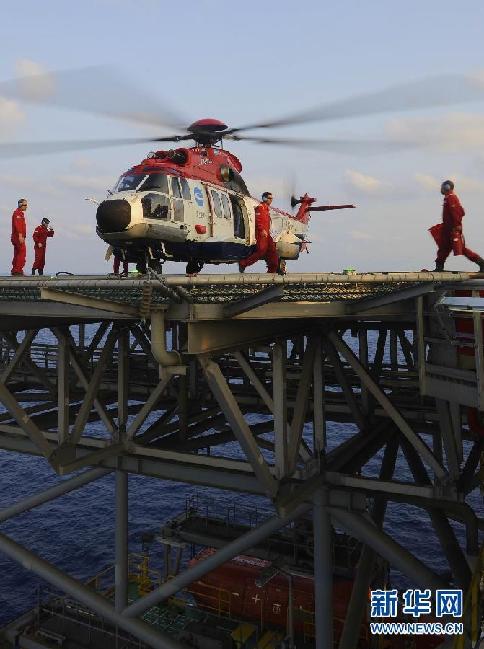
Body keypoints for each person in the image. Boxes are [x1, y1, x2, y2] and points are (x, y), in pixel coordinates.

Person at [433, 180, 484, 272]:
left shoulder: (451, 198)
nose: (441, 189)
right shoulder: (448, 198)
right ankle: (439, 267)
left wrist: (457, 225)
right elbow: (461, 211)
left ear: (447, 187)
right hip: (448, 230)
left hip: (452, 230)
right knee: (444, 248)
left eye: (442, 187)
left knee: (461, 248)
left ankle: (481, 263)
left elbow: (456, 212)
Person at [238, 191, 282, 274]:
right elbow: (257, 220)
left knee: (273, 252)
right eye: (269, 198)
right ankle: (243, 263)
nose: (271, 200)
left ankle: (272, 270)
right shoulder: (260, 208)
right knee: (261, 250)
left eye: (271, 199)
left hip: (267, 234)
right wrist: (261, 230)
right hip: (261, 234)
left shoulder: (266, 209)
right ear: (264, 198)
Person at [11, 198, 28, 275]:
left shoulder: (19, 213)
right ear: (20, 205)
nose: (26, 207)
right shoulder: (18, 213)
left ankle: (15, 270)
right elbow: (17, 225)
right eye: (25, 205)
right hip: (18, 237)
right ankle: (18, 270)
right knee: (22, 252)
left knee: (17, 253)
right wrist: (20, 236)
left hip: (16, 237)